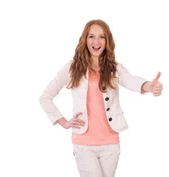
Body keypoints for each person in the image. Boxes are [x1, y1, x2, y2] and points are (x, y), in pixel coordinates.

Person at [39, 19, 164, 177]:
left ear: (107, 41)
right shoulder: (72, 68)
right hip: (84, 144)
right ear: (85, 39)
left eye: (101, 37)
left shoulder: (115, 68)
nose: (96, 41)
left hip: (111, 144)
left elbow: (131, 80)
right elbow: (45, 97)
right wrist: (62, 121)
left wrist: (148, 86)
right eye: (91, 36)